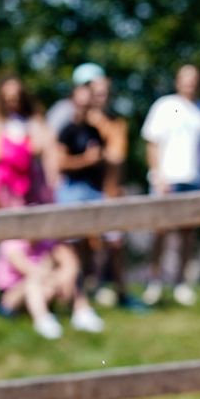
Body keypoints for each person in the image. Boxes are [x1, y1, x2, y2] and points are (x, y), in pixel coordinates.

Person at [0, 76, 101, 338]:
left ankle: (80, 308)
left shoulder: (35, 120)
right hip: (11, 195)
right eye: (8, 99)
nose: (13, 103)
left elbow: (47, 148)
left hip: (36, 193)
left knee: (59, 250)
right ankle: (39, 310)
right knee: (20, 248)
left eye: (17, 98)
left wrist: (26, 153)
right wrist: (26, 150)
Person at [140, 63, 200, 306]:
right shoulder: (165, 106)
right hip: (166, 181)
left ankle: (180, 282)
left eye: (194, 79)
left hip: (194, 181)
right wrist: (157, 175)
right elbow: (152, 143)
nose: (190, 83)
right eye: (185, 78)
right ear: (177, 81)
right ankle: (154, 281)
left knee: (188, 234)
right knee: (159, 231)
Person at [53, 65, 128, 307]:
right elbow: (57, 161)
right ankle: (76, 293)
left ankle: (107, 291)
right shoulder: (65, 120)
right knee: (74, 244)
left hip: (99, 190)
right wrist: (87, 160)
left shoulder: (102, 125)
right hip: (73, 190)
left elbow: (116, 157)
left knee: (109, 240)